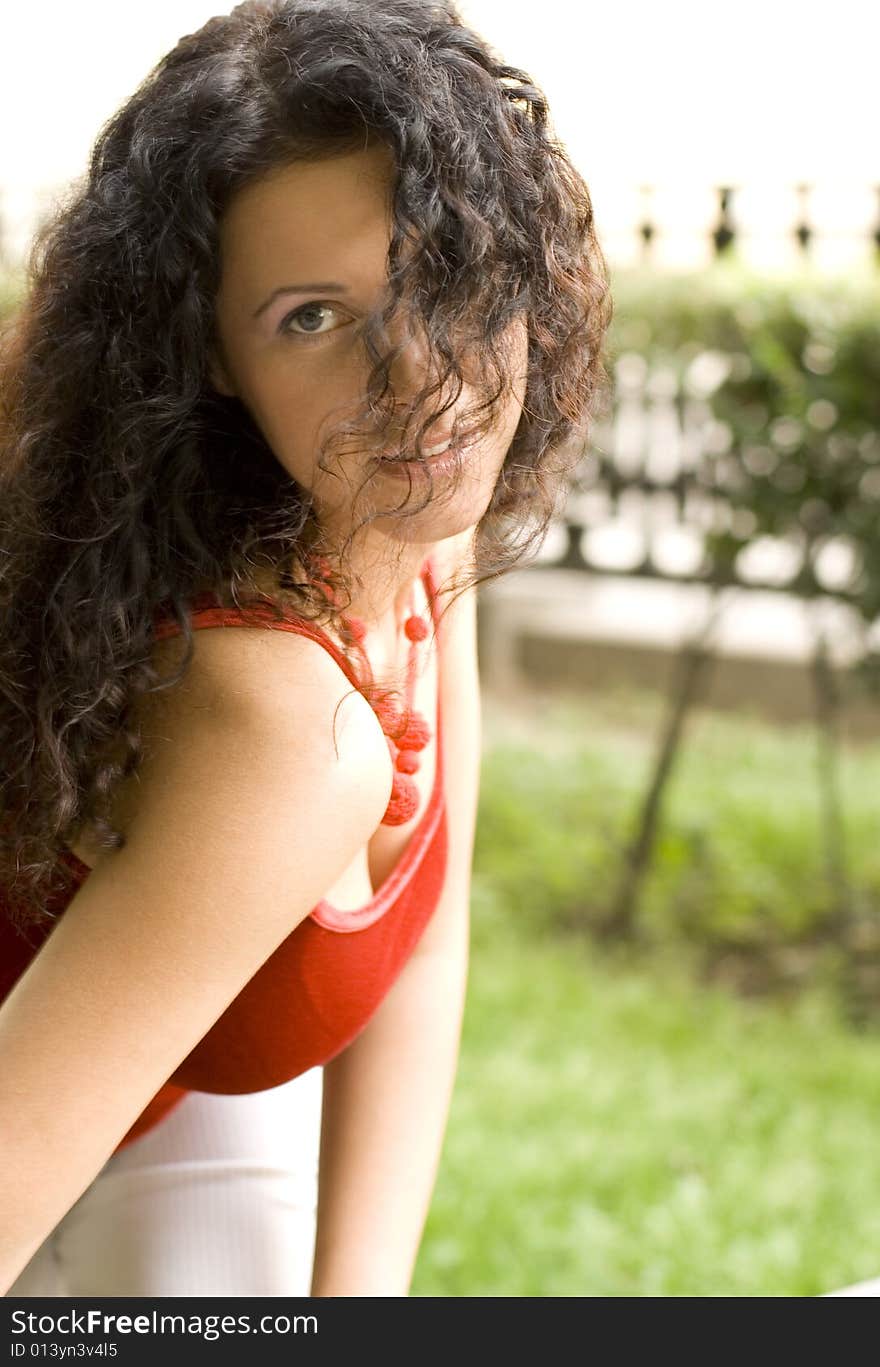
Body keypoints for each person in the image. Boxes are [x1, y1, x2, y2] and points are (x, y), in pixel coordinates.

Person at [0, 0, 611, 1297]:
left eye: (447, 270)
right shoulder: (283, 722)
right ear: (209, 357)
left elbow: (424, 932)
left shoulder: (404, 513)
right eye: (312, 318)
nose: (423, 382)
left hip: (150, 1092)